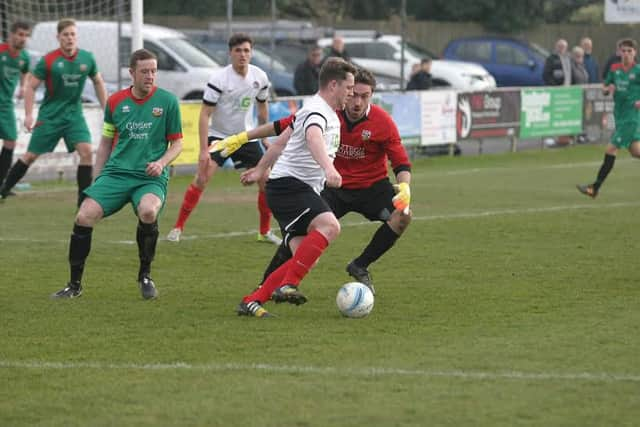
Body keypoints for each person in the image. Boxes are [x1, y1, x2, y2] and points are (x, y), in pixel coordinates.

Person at [51, 48, 183, 299]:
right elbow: (105, 144)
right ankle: (74, 285)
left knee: (148, 211)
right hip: (116, 174)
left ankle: (145, 276)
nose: (150, 76)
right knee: (83, 216)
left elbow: (177, 144)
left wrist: (162, 162)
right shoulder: (115, 102)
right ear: (131, 73)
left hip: (149, 176)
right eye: (145, 71)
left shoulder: (167, 102)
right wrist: (97, 179)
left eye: (154, 71)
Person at [234, 57, 356, 317]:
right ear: (333, 85)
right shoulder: (317, 112)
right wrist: (328, 168)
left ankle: (252, 300)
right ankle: (288, 285)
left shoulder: (315, 109)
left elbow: (279, 143)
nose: (351, 93)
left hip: (291, 187)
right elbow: (313, 137)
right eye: (348, 88)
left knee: (302, 255)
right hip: (290, 186)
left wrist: (259, 170)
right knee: (330, 226)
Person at [166, 33, 279, 244]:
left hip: (245, 136)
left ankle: (264, 231)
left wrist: (263, 137)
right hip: (220, 137)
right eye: (238, 51)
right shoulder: (219, 79)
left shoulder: (260, 77)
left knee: (266, 180)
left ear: (251, 52)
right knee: (202, 178)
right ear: (230, 53)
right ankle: (177, 228)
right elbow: (204, 115)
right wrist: (202, 150)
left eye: (246, 50)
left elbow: (263, 106)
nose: (243, 55)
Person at [0, 18, 107, 206]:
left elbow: (98, 81)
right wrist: (29, 115)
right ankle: (4, 190)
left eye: (73, 34)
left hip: (74, 115)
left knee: (87, 151)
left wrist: (107, 108)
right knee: (30, 156)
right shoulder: (48, 60)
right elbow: (31, 87)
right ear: (58, 37)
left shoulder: (87, 59)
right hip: (50, 115)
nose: (70, 38)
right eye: (65, 35)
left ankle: (83, 202)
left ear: (77, 36)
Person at [577, 39, 640, 199]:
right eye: (623, 51)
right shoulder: (614, 69)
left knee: (610, 149)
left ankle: (594, 188)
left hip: (631, 118)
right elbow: (604, 88)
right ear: (619, 52)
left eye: (629, 51)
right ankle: (594, 189)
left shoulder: (638, 70)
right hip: (619, 116)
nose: (626, 54)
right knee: (635, 151)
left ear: (635, 53)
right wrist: (608, 89)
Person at [0, 21, 31, 189]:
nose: (23, 38)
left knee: (10, 141)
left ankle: (1, 185)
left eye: (26, 36)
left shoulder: (24, 57)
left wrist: (23, 86)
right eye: (20, 34)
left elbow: (25, 71)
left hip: (5, 105)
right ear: (11, 35)